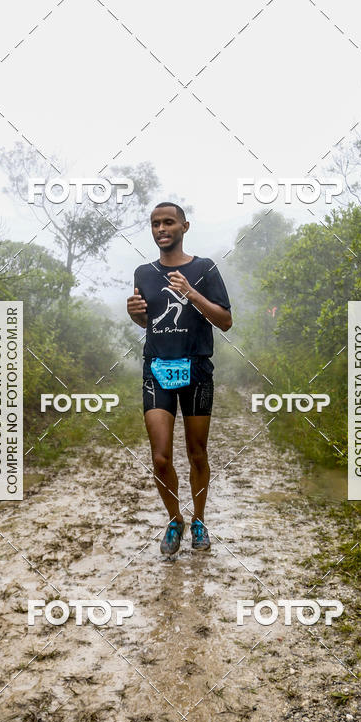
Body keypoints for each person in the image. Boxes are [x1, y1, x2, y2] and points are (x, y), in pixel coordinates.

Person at [127, 202, 232, 556]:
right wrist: (136, 316)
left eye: (168, 222)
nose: (161, 228)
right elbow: (150, 323)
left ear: (185, 226)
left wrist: (191, 293)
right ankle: (175, 520)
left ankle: (199, 520)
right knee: (160, 457)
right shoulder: (143, 272)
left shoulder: (204, 268)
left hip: (197, 368)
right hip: (156, 368)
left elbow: (225, 320)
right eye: (155, 223)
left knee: (197, 452)